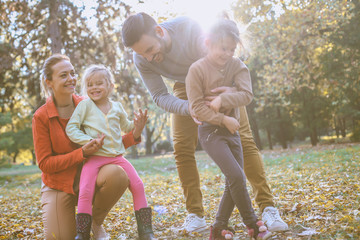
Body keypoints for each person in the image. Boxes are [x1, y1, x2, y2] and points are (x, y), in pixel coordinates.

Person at [121, 12, 288, 233]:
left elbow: (225, 56)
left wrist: (232, 89)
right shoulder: (141, 57)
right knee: (181, 148)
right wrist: (188, 107)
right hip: (184, 88)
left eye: (151, 50)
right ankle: (195, 214)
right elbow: (160, 95)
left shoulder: (190, 29)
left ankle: (267, 207)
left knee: (244, 140)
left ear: (160, 32)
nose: (149, 58)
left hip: (219, 80)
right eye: (143, 54)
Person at [32, 54, 146, 240]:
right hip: (58, 184)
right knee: (58, 237)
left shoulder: (91, 103)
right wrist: (81, 153)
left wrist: (134, 134)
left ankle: (95, 221)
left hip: (92, 174)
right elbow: (45, 164)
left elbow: (110, 143)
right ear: (49, 82)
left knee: (117, 174)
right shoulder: (41, 117)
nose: (71, 79)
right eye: (63, 75)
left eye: (72, 73)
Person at [185, 17, 272, 240]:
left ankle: (218, 227)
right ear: (208, 43)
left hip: (232, 132)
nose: (227, 53)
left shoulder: (237, 65)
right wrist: (223, 120)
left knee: (233, 181)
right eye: (223, 48)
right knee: (237, 176)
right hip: (211, 132)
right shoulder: (196, 70)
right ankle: (252, 224)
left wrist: (224, 98)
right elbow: (196, 108)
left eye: (232, 49)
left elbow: (247, 95)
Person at [65, 64, 153, 240]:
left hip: (117, 158)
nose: (94, 87)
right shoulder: (85, 106)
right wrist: (88, 141)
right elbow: (71, 128)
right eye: (90, 84)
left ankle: (146, 232)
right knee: (86, 191)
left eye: (99, 83)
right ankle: (82, 234)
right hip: (94, 159)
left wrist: (138, 127)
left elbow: (128, 128)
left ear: (110, 86)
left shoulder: (117, 107)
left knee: (138, 185)